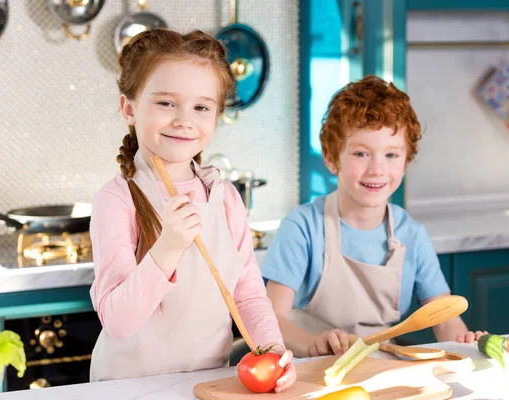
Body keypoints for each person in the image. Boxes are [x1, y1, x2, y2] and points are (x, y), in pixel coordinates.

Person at [88, 28, 295, 391]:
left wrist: (273, 351)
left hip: (206, 384)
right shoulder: (117, 200)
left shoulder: (224, 197)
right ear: (129, 108)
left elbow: (247, 293)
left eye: (201, 107)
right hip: (126, 388)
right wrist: (167, 247)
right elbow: (117, 322)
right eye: (166, 103)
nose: (184, 119)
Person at [261, 75, 487, 359]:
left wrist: (462, 340)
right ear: (331, 158)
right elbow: (270, 317)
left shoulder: (411, 234)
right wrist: (310, 344)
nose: (377, 169)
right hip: (308, 367)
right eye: (361, 153)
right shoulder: (303, 227)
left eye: (391, 155)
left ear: (406, 161)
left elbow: (442, 315)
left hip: (379, 367)